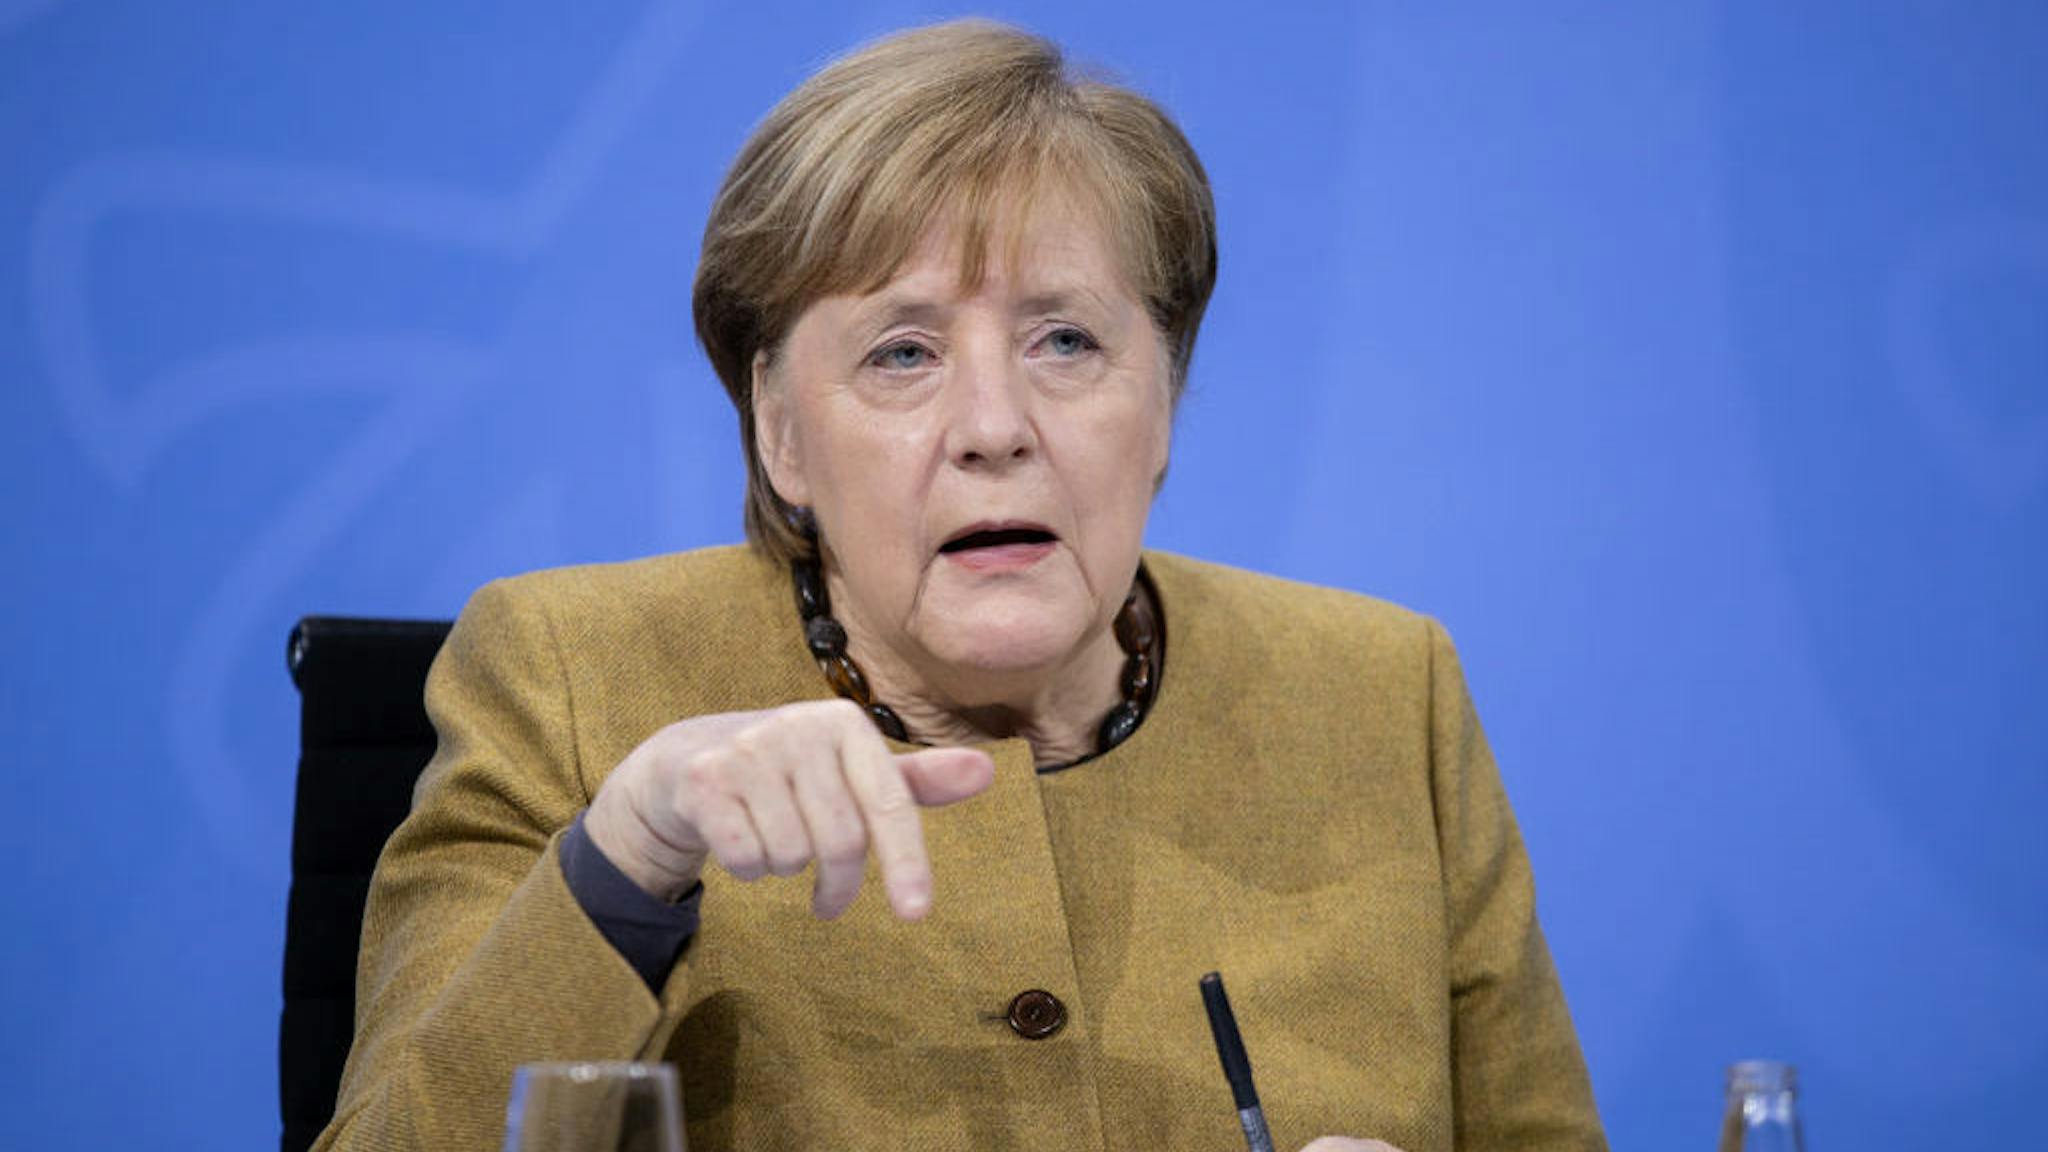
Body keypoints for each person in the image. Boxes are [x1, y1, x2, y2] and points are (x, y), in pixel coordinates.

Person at [315, 20, 1606, 1152]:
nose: (995, 423)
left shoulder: (1385, 702)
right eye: (903, 352)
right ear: (780, 429)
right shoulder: (571, 682)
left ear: (1165, 401)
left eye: (1066, 340)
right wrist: (629, 859)